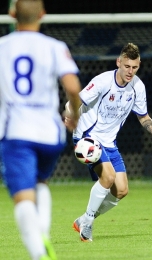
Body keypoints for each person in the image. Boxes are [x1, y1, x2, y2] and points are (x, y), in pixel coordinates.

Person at [65, 43, 152, 242]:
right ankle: (88, 226)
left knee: (121, 190)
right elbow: (76, 100)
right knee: (107, 178)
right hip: (88, 137)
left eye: (134, 67)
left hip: (109, 142)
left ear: (139, 65)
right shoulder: (102, 81)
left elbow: (144, 117)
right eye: (127, 66)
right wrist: (69, 114)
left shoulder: (138, 87)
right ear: (119, 62)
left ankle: (83, 218)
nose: (130, 71)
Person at [0, 1, 81, 259]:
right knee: (40, 183)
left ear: (12, 15)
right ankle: (43, 232)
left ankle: (38, 253)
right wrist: (75, 115)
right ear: (43, 15)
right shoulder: (55, 47)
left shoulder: (3, 47)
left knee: (23, 197)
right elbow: (72, 87)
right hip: (50, 132)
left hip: (16, 132)